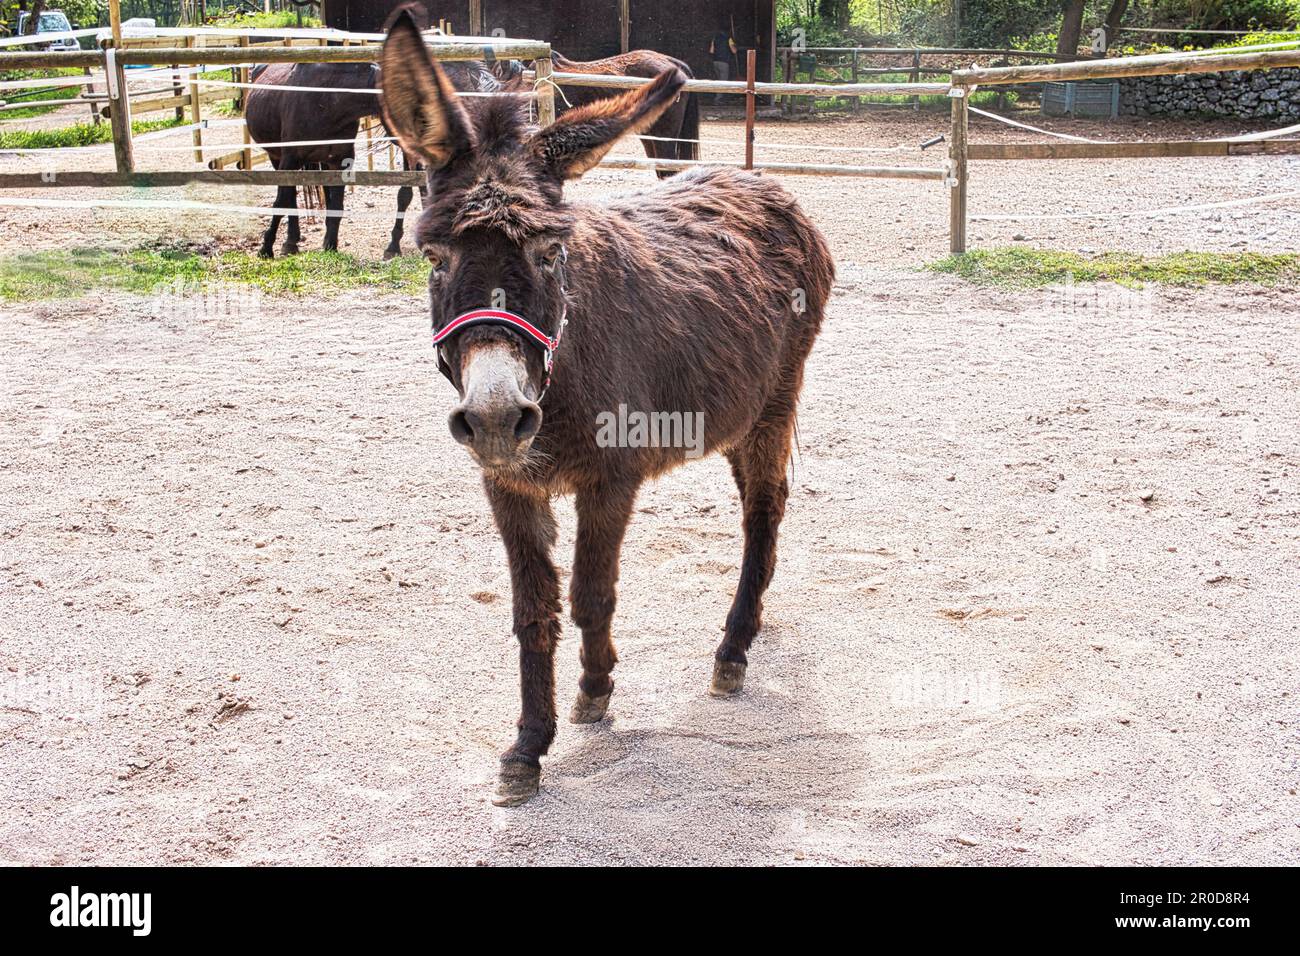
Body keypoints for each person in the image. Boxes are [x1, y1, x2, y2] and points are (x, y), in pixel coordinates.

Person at [708, 24, 737, 104]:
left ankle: (719, 97)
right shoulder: (729, 38)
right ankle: (718, 99)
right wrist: (735, 46)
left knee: (718, 81)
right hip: (724, 62)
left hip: (715, 62)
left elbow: (711, 51)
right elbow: (734, 51)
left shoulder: (715, 38)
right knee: (723, 81)